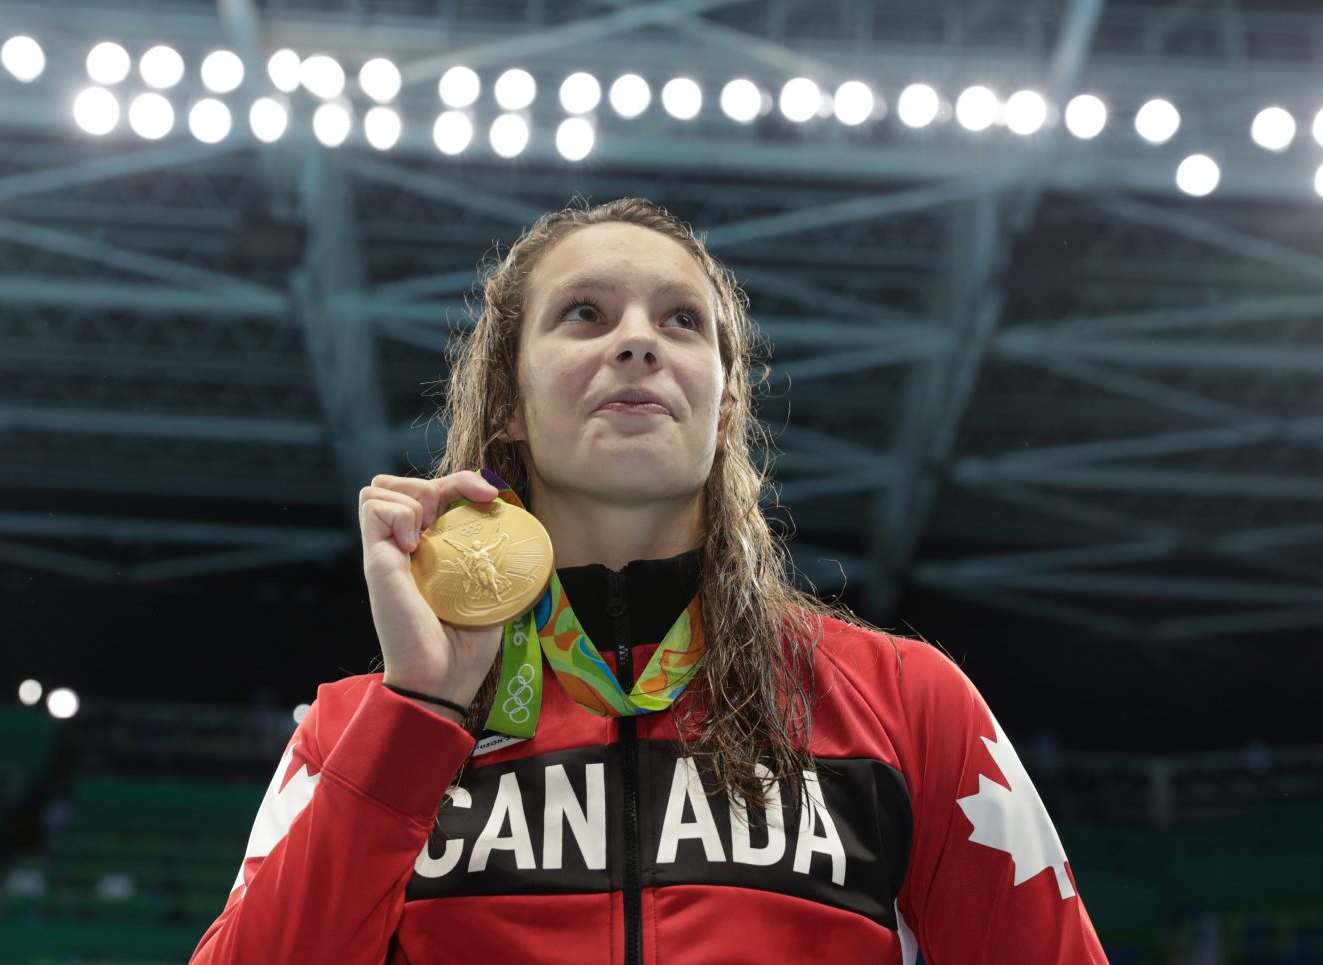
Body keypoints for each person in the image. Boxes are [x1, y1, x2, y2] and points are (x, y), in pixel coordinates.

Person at [190, 198, 1108, 963]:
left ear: (725, 407)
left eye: (681, 320)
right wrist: (421, 712)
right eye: (584, 313)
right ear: (508, 399)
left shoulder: (907, 708)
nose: (638, 342)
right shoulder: (354, 732)